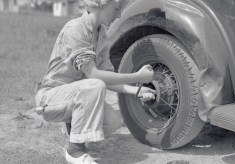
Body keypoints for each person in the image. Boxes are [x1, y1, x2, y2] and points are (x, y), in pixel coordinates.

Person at [35, 0, 156, 163]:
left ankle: (73, 125)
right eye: (116, 8)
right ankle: (74, 151)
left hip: (76, 96)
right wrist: (137, 77)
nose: (119, 15)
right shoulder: (75, 29)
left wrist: (135, 90)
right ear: (101, 3)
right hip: (50, 99)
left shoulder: (102, 36)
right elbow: (94, 74)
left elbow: (106, 75)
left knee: (112, 122)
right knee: (96, 84)